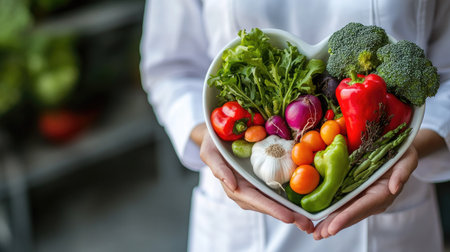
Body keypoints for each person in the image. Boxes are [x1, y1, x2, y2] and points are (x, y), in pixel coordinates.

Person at [140, 0, 450, 251]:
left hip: (390, 209)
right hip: (242, 198)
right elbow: (171, 71)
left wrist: (406, 148)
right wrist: (210, 137)